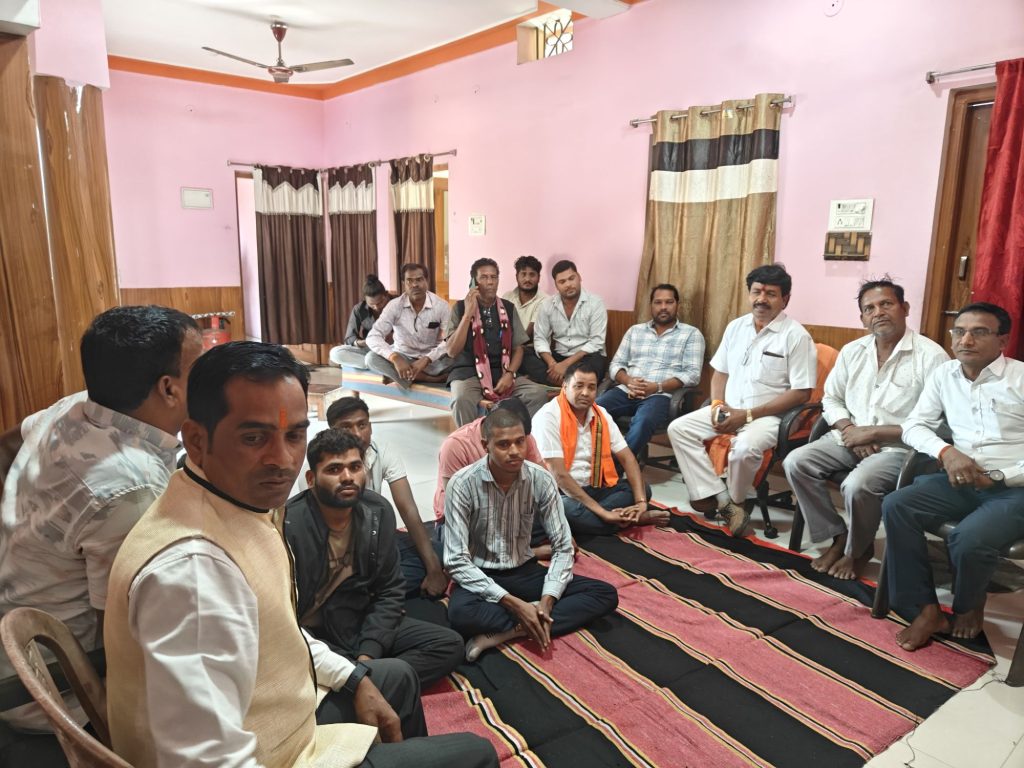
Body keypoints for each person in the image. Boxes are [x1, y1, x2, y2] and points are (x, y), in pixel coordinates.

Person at [104, 341, 497, 768]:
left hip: (287, 708)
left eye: (293, 435)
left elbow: (283, 627)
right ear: (197, 441)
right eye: (254, 438)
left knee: (394, 678)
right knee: (475, 754)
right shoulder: (191, 571)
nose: (281, 459)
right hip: (278, 753)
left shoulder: (241, 507)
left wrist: (354, 677)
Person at [0, 305, 202, 731]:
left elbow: (6, 445)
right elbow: (123, 637)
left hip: (13, 645)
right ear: (169, 389)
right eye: (199, 368)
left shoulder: (76, 406)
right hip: (56, 695)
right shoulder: (131, 487)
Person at [882, 302, 1024, 652]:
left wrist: (999, 476)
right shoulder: (944, 374)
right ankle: (925, 609)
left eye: (979, 332)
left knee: (968, 538)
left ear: (1002, 340)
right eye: (959, 331)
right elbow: (914, 426)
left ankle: (968, 605)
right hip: (961, 479)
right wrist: (947, 452)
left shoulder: (1020, 378)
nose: (966, 340)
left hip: (1014, 488)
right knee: (897, 505)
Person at [783, 279, 947, 579]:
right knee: (796, 462)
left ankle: (858, 550)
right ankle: (838, 536)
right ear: (862, 318)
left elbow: (935, 421)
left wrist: (873, 433)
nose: (878, 312)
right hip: (849, 436)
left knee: (857, 485)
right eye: (869, 308)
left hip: (900, 448)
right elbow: (831, 398)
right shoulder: (852, 351)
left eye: (886, 304)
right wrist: (850, 429)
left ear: (905, 308)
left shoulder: (932, 357)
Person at [286, 429, 464, 688]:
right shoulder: (289, 525)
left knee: (449, 645)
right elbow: (283, 616)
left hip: (361, 620)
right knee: (293, 673)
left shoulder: (377, 511)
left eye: (355, 467)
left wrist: (368, 652)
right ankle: (373, 680)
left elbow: (390, 590)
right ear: (311, 479)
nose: (347, 477)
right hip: (316, 639)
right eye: (334, 469)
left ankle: (359, 682)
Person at [444, 408, 619, 661]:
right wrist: (512, 603)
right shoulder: (462, 484)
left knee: (604, 594)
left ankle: (510, 632)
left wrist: (547, 599)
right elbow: (456, 560)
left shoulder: (541, 479)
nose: (515, 451)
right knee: (461, 615)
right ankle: (534, 619)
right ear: (485, 445)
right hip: (481, 572)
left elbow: (563, 547)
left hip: (524, 570)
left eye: (520, 441)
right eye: (503, 444)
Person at [666, 263, 817, 537]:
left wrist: (746, 416)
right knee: (679, 428)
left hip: (771, 417)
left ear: (785, 299)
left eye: (771, 294)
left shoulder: (796, 336)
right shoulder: (736, 327)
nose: (761, 299)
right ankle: (722, 501)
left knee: (744, 448)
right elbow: (720, 372)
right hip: (729, 409)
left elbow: (801, 393)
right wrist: (717, 405)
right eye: (757, 292)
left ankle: (735, 502)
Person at [320, 397, 447, 599]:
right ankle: (369, 593)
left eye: (362, 425)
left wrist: (434, 570)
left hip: (377, 539)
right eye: (346, 427)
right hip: (340, 552)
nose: (357, 434)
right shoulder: (320, 466)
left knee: (442, 554)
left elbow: (408, 509)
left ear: (370, 426)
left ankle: (374, 594)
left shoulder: (383, 451)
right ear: (331, 432)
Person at [533, 359, 670, 535]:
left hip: (594, 487)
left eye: (591, 387)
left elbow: (628, 458)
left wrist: (641, 503)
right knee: (566, 508)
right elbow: (559, 476)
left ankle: (592, 522)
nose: (585, 393)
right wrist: (603, 513)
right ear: (565, 386)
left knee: (642, 489)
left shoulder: (601, 415)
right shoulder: (548, 416)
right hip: (561, 492)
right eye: (578, 386)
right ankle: (629, 521)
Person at [596, 284, 704, 456]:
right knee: (593, 410)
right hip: (626, 390)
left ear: (678, 305)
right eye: (658, 302)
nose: (663, 307)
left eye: (669, 302)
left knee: (643, 422)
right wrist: (628, 381)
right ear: (651, 305)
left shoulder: (691, 334)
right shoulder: (635, 331)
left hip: (660, 395)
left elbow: (692, 375)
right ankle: (592, 460)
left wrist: (657, 387)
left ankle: (619, 466)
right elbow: (616, 364)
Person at [445, 258, 550, 427]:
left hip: (501, 370)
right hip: (468, 372)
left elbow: (518, 348)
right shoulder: (460, 308)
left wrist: (510, 373)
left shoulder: (508, 308)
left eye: (494, 277)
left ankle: (518, 437)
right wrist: (468, 314)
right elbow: (452, 351)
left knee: (538, 394)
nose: (490, 282)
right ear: (474, 282)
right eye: (484, 277)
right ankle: (470, 442)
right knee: (461, 398)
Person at [365, 263, 452, 388]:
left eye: (419, 279)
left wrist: (427, 359)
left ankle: (403, 376)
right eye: (409, 281)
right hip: (404, 358)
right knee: (371, 358)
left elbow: (449, 339)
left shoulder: (441, 306)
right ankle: (430, 379)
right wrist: (394, 357)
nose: (415, 285)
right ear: (404, 284)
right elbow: (373, 336)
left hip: (433, 362)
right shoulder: (394, 306)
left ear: (426, 281)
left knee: (459, 358)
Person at [523, 260, 608, 386]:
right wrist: (552, 364)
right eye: (562, 282)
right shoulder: (547, 305)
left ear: (579, 277)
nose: (568, 284)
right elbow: (540, 338)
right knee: (524, 354)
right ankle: (570, 384)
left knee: (596, 362)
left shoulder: (595, 303)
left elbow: (596, 342)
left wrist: (565, 365)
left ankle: (559, 382)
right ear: (556, 285)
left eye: (571, 278)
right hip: (558, 357)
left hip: (585, 357)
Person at [335, 274, 392, 368]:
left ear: (386, 295)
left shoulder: (396, 303)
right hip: (370, 348)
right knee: (336, 353)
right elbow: (349, 338)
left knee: (371, 357)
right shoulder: (359, 309)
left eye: (380, 302)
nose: (376, 307)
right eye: (372, 304)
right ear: (365, 299)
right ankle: (376, 365)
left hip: (393, 349)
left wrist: (393, 336)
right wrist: (365, 342)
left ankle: (373, 364)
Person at [502, 255, 548, 343]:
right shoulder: (507, 297)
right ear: (517, 277)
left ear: (539, 277)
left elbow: (529, 335)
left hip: (531, 348)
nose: (527, 279)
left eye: (532, 275)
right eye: (523, 274)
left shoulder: (545, 300)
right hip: (508, 347)